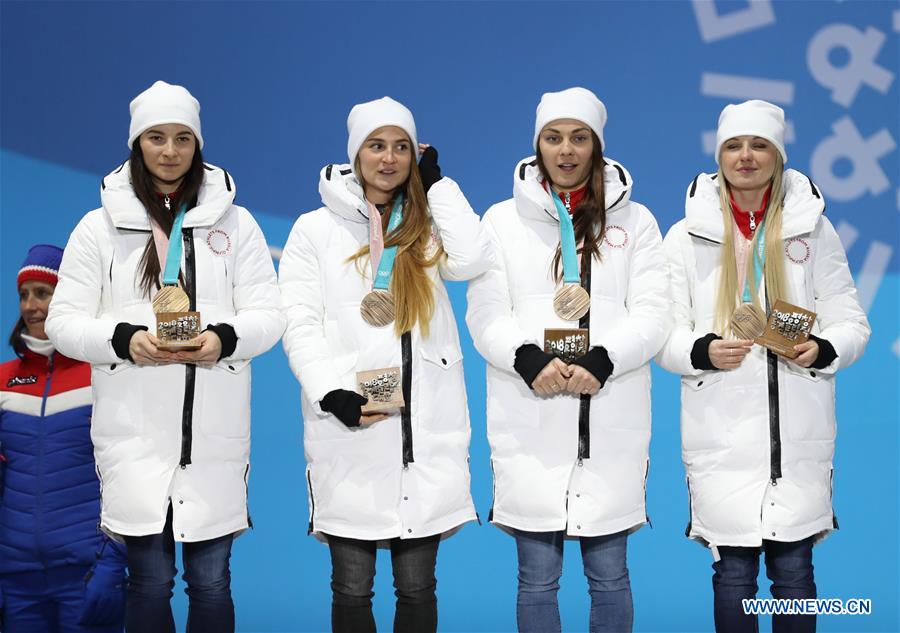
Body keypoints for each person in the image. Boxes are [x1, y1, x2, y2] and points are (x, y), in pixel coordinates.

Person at [45, 81, 285, 633]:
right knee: (148, 583)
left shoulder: (236, 224)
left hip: (214, 440)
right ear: (137, 144)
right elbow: (63, 323)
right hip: (134, 438)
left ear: (198, 145)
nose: (170, 151)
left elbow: (269, 316)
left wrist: (224, 338)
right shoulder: (97, 227)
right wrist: (122, 339)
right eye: (157, 137)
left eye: (182, 138)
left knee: (212, 584)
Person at [656, 99, 871, 632]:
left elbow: (852, 322)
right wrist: (701, 351)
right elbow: (661, 333)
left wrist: (820, 349)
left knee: (795, 574)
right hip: (721, 436)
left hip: (796, 439)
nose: (746, 156)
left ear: (778, 155)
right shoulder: (684, 237)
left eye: (758, 145)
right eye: (734, 145)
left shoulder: (813, 232)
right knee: (733, 576)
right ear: (718, 154)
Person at [279, 96, 489, 633]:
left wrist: (437, 183)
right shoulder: (314, 230)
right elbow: (300, 324)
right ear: (355, 155)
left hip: (422, 435)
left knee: (418, 589)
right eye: (376, 146)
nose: (389, 159)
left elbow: (472, 259)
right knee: (352, 590)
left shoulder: (428, 222)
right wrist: (332, 395)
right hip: (351, 428)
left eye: (401, 147)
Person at [466, 87, 670, 633]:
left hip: (610, 417)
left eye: (579, 138)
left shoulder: (638, 223)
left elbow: (653, 313)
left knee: (610, 578)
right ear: (537, 147)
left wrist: (604, 361)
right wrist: (528, 360)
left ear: (597, 147)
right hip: (532, 414)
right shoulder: (501, 221)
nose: (566, 150)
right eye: (553, 138)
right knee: (536, 580)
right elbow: (485, 314)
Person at [0, 244, 127, 633]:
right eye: (24, 295)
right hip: (16, 579)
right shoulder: (4, 380)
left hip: (85, 573)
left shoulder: (103, 373)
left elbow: (127, 472)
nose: (30, 305)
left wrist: (114, 560)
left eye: (43, 293)